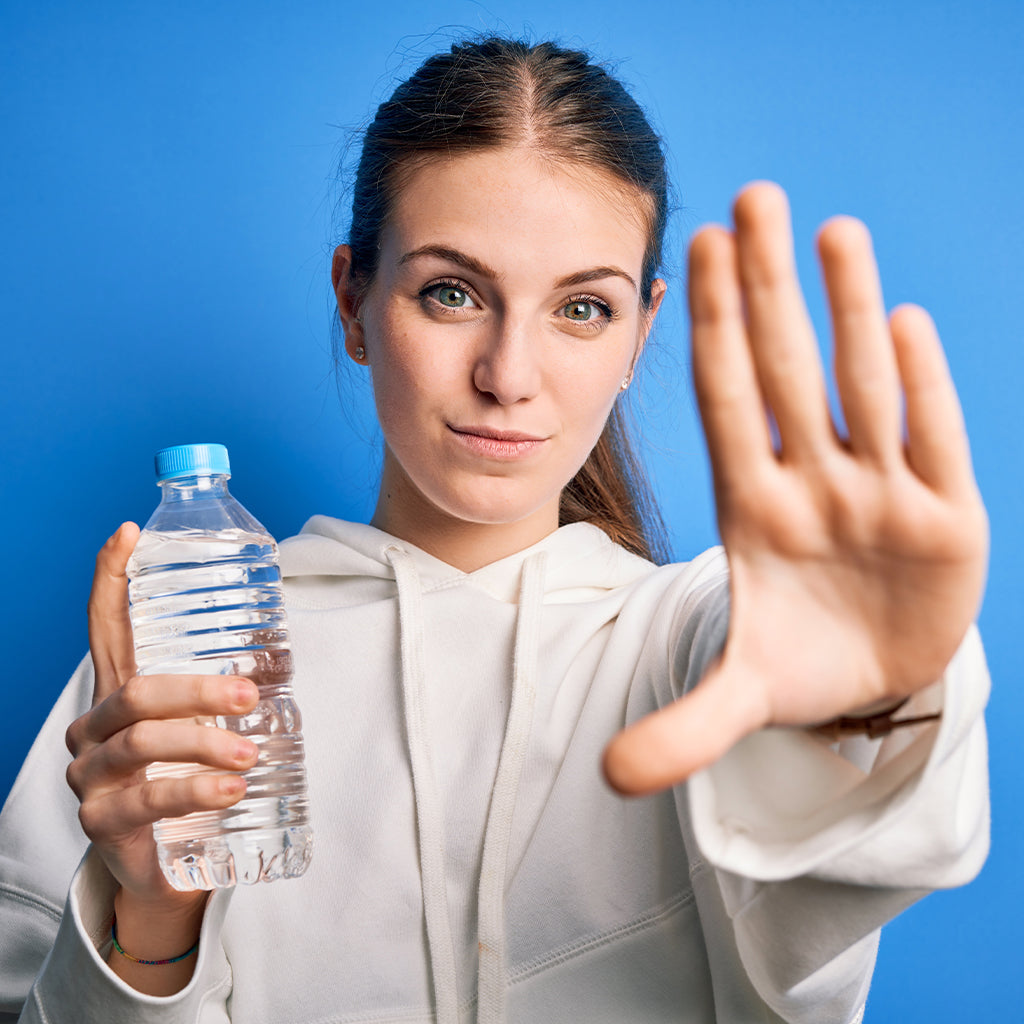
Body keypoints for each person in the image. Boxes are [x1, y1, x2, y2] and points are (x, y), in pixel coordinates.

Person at [0, 36, 990, 1024]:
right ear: (353, 299)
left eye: (582, 308)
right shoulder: (182, 665)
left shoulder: (690, 640)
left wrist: (871, 691)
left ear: (641, 332)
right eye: (452, 293)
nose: (508, 374)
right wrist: (152, 918)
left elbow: (834, 871)